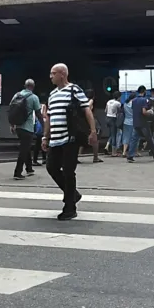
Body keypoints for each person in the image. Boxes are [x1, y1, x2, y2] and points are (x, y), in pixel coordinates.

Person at [42, 63, 97, 220]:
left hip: (70, 138)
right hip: (55, 139)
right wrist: (45, 137)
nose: (50, 76)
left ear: (62, 74)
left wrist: (93, 132)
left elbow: (87, 110)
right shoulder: (52, 95)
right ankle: (73, 194)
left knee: (68, 171)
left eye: (53, 73)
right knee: (51, 167)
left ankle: (70, 207)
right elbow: (49, 118)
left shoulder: (74, 90)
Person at [11, 79, 41, 180]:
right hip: (28, 127)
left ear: (25, 85)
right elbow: (38, 114)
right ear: (33, 86)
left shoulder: (17, 95)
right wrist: (44, 126)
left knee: (26, 147)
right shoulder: (34, 97)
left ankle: (29, 168)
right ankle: (17, 172)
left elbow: (12, 110)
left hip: (18, 126)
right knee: (24, 149)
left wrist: (12, 125)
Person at [127, 86, 154, 162]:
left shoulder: (134, 100)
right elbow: (144, 111)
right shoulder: (144, 100)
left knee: (134, 139)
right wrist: (150, 113)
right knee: (150, 139)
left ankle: (130, 155)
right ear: (144, 91)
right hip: (143, 123)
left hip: (135, 122)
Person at [104, 91, 122, 156]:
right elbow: (120, 112)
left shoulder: (109, 101)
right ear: (119, 97)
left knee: (111, 134)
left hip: (107, 118)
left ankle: (107, 146)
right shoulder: (118, 103)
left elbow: (105, 110)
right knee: (114, 134)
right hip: (113, 118)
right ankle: (113, 152)